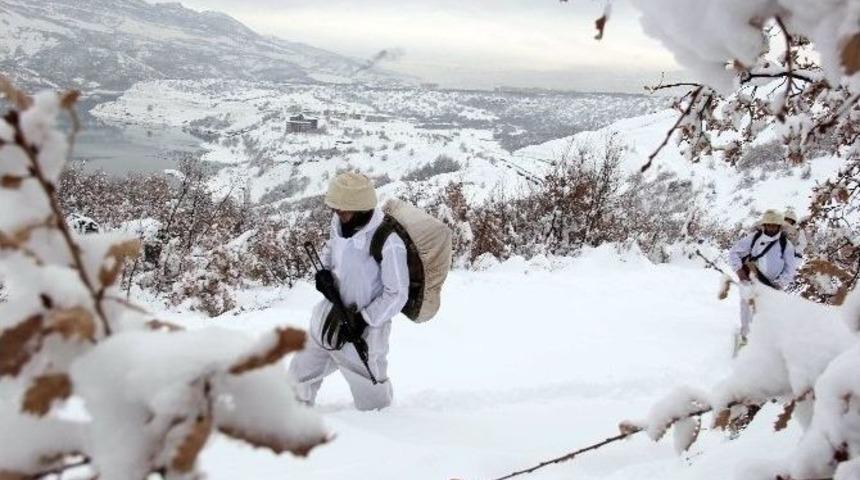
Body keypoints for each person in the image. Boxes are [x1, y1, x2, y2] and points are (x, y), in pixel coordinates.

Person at [288, 172, 409, 411]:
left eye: (342, 210)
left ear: (361, 209)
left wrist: (363, 319)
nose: (337, 214)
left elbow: (397, 294)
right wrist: (323, 275)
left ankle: (380, 428)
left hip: (362, 334)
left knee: (373, 405)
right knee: (297, 379)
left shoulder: (388, 241)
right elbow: (332, 252)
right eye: (335, 209)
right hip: (328, 318)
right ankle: (290, 418)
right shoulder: (340, 224)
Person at [727, 209, 798, 346]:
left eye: (774, 225)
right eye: (768, 225)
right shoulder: (754, 238)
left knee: (768, 314)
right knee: (747, 309)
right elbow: (734, 253)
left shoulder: (785, 244)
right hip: (750, 280)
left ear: (779, 226)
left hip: (771, 285)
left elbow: (790, 269)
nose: (771, 228)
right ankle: (745, 339)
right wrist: (739, 271)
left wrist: (779, 284)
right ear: (764, 225)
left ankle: (763, 343)